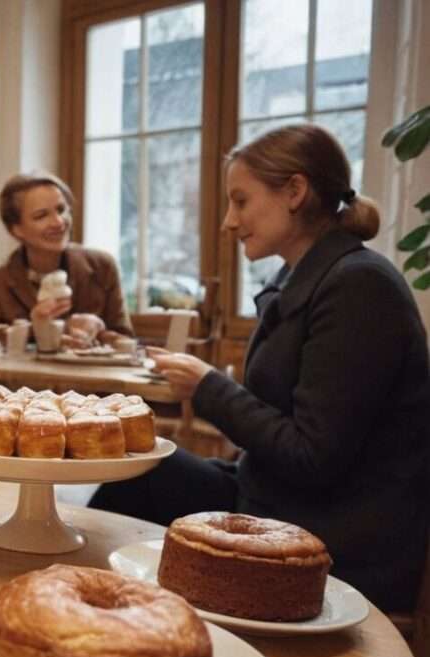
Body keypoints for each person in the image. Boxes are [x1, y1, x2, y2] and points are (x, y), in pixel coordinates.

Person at [90, 123, 430, 613]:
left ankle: (97, 621)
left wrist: (207, 386)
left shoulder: (360, 288)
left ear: (295, 191)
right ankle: (81, 608)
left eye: (241, 201)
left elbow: (312, 458)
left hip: (334, 533)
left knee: (146, 478)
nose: (229, 221)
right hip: (275, 502)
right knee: (142, 464)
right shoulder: (308, 278)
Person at [0, 171, 133, 344]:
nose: (58, 222)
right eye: (41, 216)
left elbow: (127, 344)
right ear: (16, 229)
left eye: (61, 209)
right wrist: (36, 329)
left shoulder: (102, 266)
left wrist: (99, 328)